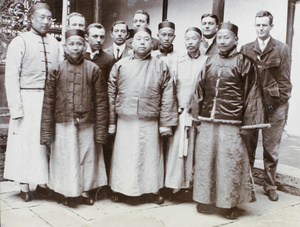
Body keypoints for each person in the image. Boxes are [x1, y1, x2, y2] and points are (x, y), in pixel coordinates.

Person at [192, 22, 270, 219]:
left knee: (229, 163)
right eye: (219, 38)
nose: (222, 41)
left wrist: (247, 125)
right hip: (209, 121)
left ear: (236, 39)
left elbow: (253, 95)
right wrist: (196, 115)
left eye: (227, 37)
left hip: (232, 123)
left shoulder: (245, 62)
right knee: (206, 160)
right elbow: (199, 88)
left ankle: (229, 203)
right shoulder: (209, 61)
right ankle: (206, 199)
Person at [108, 27, 178, 205]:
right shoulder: (121, 64)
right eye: (138, 39)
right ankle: (119, 189)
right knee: (125, 156)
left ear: (152, 43)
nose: (142, 42)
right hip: (126, 119)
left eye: (146, 39)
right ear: (131, 43)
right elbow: (111, 93)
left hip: (150, 119)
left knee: (149, 157)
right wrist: (111, 121)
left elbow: (168, 95)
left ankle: (151, 190)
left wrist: (165, 124)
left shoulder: (161, 65)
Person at [40, 29, 109, 207]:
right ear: (65, 46)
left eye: (79, 44)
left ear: (84, 45)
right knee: (64, 156)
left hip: (87, 122)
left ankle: (85, 191)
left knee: (86, 157)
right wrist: (46, 131)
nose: (76, 47)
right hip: (62, 121)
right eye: (71, 44)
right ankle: (65, 191)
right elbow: (48, 101)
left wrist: (101, 131)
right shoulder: (56, 69)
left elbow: (101, 101)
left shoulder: (93, 69)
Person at [4, 2, 60, 202]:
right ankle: (25, 185)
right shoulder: (20, 42)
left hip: (49, 99)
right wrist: (16, 108)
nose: (46, 21)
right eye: (41, 17)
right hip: (27, 99)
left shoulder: (56, 43)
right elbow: (11, 77)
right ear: (31, 19)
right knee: (26, 143)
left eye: (49, 17)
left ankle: (43, 183)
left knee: (45, 143)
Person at [240, 10, 292, 202]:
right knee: (248, 147)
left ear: (271, 26)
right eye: (258, 25)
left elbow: (285, 83)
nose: (261, 28)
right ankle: (248, 185)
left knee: (271, 149)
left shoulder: (282, 49)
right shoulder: (246, 49)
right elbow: (243, 81)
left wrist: (275, 104)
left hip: (274, 108)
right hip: (252, 108)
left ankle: (270, 185)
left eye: (264, 25)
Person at [164, 27, 208, 201]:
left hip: (198, 114)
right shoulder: (177, 61)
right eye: (187, 39)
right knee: (177, 150)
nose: (190, 42)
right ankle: (175, 185)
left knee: (195, 150)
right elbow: (171, 87)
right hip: (180, 112)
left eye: (194, 38)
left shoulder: (207, 61)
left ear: (200, 40)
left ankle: (191, 186)